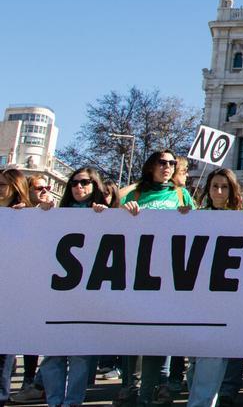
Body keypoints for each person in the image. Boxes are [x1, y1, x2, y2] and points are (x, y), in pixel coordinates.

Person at [116, 151, 194, 407]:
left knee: (158, 334)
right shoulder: (136, 194)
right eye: (162, 163)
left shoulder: (182, 195)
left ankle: (153, 389)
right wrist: (125, 208)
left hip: (169, 273)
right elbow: (115, 209)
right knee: (133, 334)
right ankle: (131, 384)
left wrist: (188, 216)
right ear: (151, 166)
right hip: (137, 272)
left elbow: (199, 230)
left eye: (173, 163)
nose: (169, 167)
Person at [39, 167, 108, 407]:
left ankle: (72, 401)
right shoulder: (57, 214)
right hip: (57, 295)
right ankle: (54, 400)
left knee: (79, 355)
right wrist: (42, 212)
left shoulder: (107, 215)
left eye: (86, 182)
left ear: (95, 185)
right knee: (52, 354)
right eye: (75, 183)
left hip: (88, 296)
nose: (79, 187)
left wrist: (107, 216)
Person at [188, 169, 243, 407]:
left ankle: (201, 403)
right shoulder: (195, 217)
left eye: (224, 187)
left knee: (211, 357)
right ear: (208, 189)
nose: (219, 191)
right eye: (214, 186)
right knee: (195, 361)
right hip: (195, 297)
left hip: (223, 300)